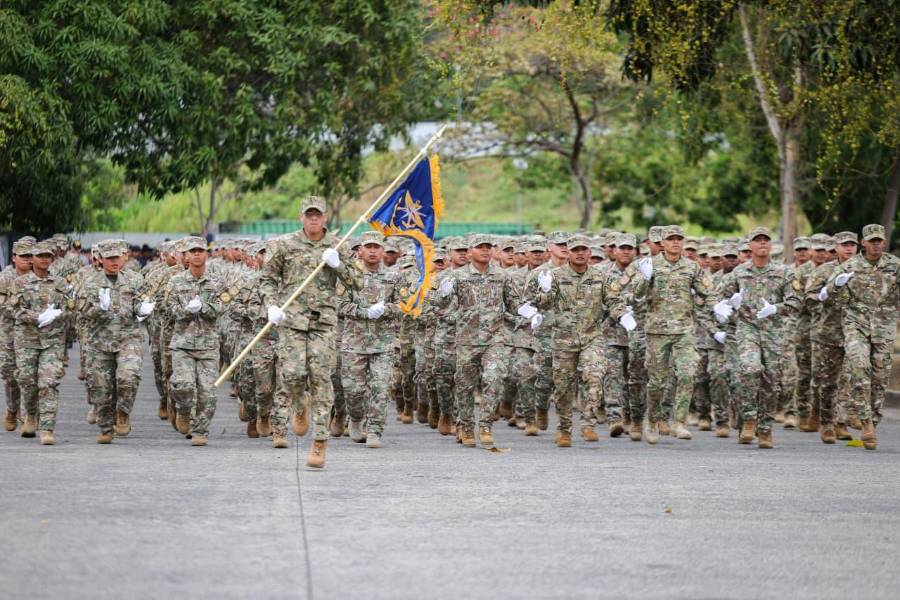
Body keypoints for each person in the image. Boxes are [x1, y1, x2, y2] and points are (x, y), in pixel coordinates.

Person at [259, 196, 361, 467]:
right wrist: (271, 305)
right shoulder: (284, 245)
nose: (313, 218)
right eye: (309, 214)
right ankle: (299, 403)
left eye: (318, 214)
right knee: (292, 374)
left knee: (321, 380)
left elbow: (358, 283)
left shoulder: (338, 245)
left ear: (325, 217)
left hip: (323, 324)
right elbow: (267, 279)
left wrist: (339, 265)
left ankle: (319, 443)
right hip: (291, 321)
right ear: (301, 217)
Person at [612, 225, 715, 443]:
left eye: (679, 239)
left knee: (687, 374)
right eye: (671, 239)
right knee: (657, 382)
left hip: (684, 331)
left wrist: (705, 305)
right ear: (663, 243)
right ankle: (653, 420)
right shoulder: (648, 265)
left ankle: (679, 422)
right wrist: (644, 279)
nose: (675, 242)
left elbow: (708, 292)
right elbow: (633, 295)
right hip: (656, 331)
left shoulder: (692, 267)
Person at [531, 234, 622, 446]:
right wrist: (544, 290)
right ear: (569, 253)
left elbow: (614, 301)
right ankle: (564, 428)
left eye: (584, 249)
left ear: (590, 253)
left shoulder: (602, 277)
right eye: (575, 250)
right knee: (563, 387)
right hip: (563, 340)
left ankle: (588, 423)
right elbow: (542, 305)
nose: (580, 253)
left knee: (595, 375)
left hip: (592, 337)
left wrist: (623, 315)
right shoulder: (555, 276)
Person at [715, 227, 801, 449]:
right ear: (750, 246)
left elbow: (796, 302)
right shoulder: (739, 273)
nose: (762, 244)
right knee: (750, 369)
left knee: (771, 381)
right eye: (758, 240)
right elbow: (718, 298)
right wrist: (726, 306)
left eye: (766, 240)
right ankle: (750, 418)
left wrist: (775, 308)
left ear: (770, 245)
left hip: (774, 332)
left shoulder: (784, 273)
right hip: (747, 329)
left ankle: (766, 429)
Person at [436, 234, 519, 448]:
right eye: (479, 247)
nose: (484, 250)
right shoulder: (457, 276)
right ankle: (465, 424)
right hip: (466, 339)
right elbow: (440, 307)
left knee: (494, 378)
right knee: (464, 386)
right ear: (470, 251)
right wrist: (443, 294)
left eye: (488, 247)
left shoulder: (502, 276)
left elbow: (513, 305)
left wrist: (529, 314)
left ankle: (485, 425)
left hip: (495, 339)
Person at [822, 224, 899, 450]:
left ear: (884, 242)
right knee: (858, 364)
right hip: (856, 324)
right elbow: (828, 298)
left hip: (884, 327)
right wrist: (836, 286)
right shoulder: (850, 266)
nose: (876, 244)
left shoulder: (894, 265)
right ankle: (865, 421)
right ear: (863, 243)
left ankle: (873, 420)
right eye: (871, 241)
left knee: (880, 376)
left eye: (879, 241)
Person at [78, 239, 152, 443]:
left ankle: (123, 412)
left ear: (124, 257)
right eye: (109, 258)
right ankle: (105, 426)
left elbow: (141, 303)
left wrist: (143, 310)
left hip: (128, 338)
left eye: (117, 257)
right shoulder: (90, 282)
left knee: (128, 377)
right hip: (99, 341)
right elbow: (82, 312)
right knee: (100, 387)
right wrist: (98, 309)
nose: (114, 261)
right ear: (100, 259)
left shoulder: (136, 280)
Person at [339, 231, 403, 447]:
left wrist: (386, 309)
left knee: (381, 387)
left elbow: (405, 305)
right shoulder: (349, 276)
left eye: (377, 247)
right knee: (353, 390)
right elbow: (339, 304)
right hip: (354, 343)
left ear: (383, 251)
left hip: (383, 343)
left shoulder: (394, 277)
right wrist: (364, 312)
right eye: (369, 247)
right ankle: (355, 419)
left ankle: (375, 429)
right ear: (360, 251)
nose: (373, 251)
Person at [163, 236, 224, 446]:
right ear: (186, 256)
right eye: (192, 251)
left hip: (208, 345)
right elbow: (168, 309)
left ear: (206, 254)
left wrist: (204, 308)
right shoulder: (175, 282)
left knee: (208, 392)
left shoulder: (217, 281)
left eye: (201, 250)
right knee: (184, 385)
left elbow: (223, 307)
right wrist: (185, 311)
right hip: (182, 343)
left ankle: (200, 430)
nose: (197, 254)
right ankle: (183, 409)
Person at [12, 240, 70, 445]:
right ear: (32, 258)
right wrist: (37, 316)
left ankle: (47, 428)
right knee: (27, 381)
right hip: (27, 339)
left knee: (49, 383)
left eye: (48, 256)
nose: (45, 259)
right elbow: (14, 309)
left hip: (52, 340)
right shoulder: (20, 283)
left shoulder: (60, 283)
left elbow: (70, 308)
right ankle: (31, 414)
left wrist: (57, 314)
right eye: (40, 256)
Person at [1, 238, 34, 431]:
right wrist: (26, 313)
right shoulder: (5, 278)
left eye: (31, 256)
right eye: (24, 256)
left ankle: (28, 413)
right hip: (9, 332)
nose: (28, 260)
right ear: (14, 257)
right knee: (9, 373)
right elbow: (3, 306)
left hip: (31, 334)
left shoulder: (40, 277)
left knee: (28, 375)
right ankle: (12, 409)